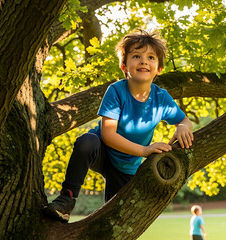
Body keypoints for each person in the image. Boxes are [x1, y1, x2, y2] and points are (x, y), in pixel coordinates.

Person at [43, 29, 194, 223]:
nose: (143, 61)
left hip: (126, 168)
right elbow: (108, 135)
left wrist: (182, 127)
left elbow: (185, 120)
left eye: (151, 57)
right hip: (103, 151)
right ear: (124, 66)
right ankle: (67, 199)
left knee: (114, 220)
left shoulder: (161, 98)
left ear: (159, 69)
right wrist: (144, 150)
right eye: (136, 56)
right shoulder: (116, 91)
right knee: (86, 141)